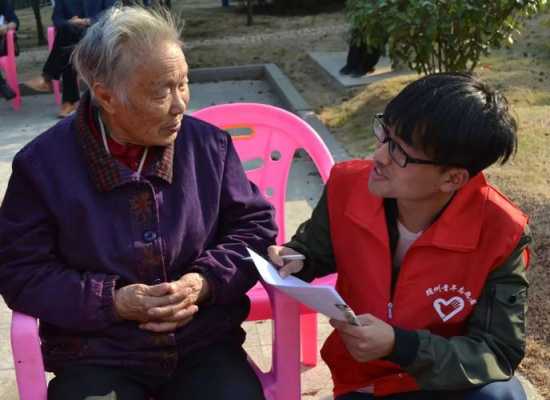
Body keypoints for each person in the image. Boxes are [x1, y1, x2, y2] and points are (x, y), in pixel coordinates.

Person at [0, 6, 275, 400]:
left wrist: (203, 282)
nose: (180, 104)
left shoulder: (207, 146)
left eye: (183, 83)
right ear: (106, 95)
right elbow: (19, 269)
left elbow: (255, 228)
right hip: (97, 354)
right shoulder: (42, 166)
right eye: (162, 90)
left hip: (202, 347)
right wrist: (111, 301)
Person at [269, 73, 531, 400]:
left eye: (400, 152)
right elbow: (316, 250)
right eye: (384, 134)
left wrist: (400, 345)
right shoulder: (347, 185)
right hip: (363, 381)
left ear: (452, 179)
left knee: (501, 396)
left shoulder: (502, 231)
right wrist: (295, 257)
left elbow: (498, 351)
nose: (378, 156)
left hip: (445, 382)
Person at [26, 0, 115, 118]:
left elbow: (111, 12)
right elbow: (57, 20)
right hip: (72, 36)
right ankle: (69, 102)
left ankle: (50, 80)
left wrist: (87, 21)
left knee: (67, 41)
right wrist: (70, 22)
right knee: (68, 39)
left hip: (98, 35)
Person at [0, 0, 18, 100]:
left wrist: (7, 27)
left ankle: (2, 86)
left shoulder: (3, 3)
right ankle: (2, 86)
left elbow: (15, 21)